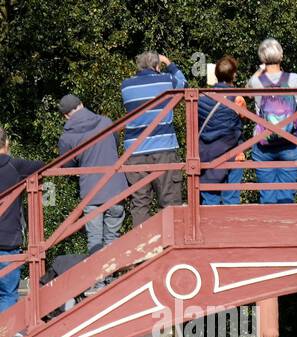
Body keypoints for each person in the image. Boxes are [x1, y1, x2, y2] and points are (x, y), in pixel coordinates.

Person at [119, 52, 187, 229]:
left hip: (134, 151)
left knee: (140, 203)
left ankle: (142, 249)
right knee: (169, 199)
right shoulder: (166, 81)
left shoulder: (126, 86)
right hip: (163, 149)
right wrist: (169, 63)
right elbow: (184, 84)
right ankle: (172, 244)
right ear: (157, 66)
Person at [57, 96, 128, 256]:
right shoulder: (106, 122)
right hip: (115, 189)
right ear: (82, 104)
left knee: (95, 242)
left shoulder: (67, 137)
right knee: (112, 239)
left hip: (91, 191)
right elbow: (115, 145)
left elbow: (67, 167)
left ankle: (99, 281)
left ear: (66, 115)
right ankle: (111, 279)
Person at [245, 39, 297, 205]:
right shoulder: (293, 78)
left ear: (262, 58)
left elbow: (247, 92)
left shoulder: (256, 82)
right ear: (281, 56)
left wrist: (260, 70)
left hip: (264, 142)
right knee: (287, 196)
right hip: (290, 141)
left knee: (267, 195)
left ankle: (268, 227)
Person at [0, 126, 44, 312]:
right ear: (7, 143)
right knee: (8, 293)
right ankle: (5, 336)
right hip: (8, 241)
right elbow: (43, 166)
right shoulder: (14, 166)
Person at [196, 57, 246, 206]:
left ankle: (211, 229)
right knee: (231, 200)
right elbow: (244, 118)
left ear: (216, 75)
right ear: (234, 75)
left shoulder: (201, 98)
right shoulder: (238, 99)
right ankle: (230, 230)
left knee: (210, 200)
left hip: (207, 155)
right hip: (233, 154)